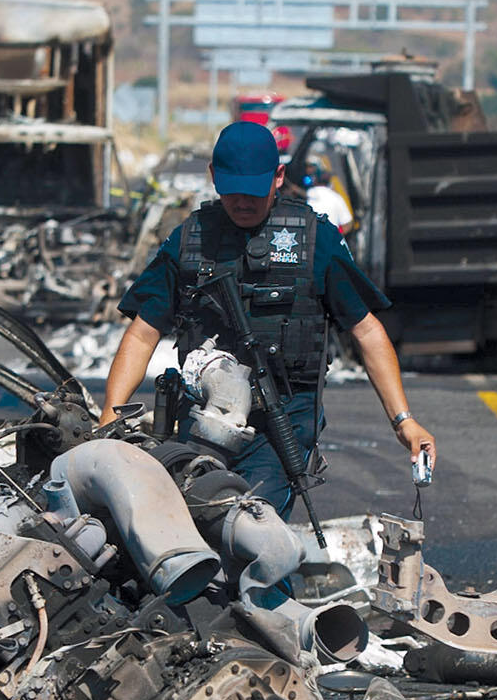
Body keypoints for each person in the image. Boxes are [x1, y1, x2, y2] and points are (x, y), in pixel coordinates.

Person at [100, 121, 436, 518]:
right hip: (202, 414)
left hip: (284, 418)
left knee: (253, 528)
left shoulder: (316, 241)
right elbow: (143, 333)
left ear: (278, 177)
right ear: (212, 177)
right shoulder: (189, 240)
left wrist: (404, 421)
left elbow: (365, 330)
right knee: (187, 522)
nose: (242, 202)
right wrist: (111, 414)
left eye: (254, 191)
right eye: (232, 190)